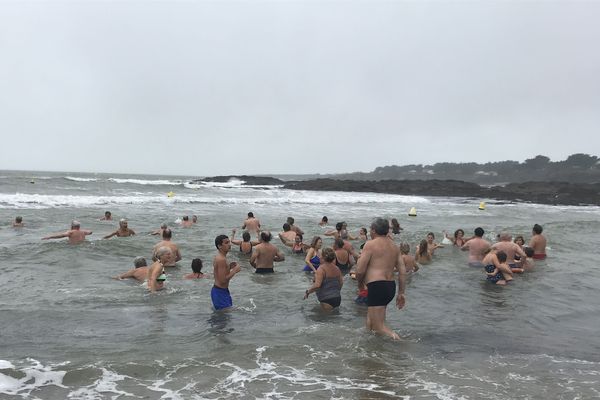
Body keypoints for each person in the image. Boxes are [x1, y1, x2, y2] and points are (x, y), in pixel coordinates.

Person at [355, 218, 406, 340]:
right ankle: (371, 347)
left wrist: (360, 283)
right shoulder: (394, 246)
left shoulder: (370, 244)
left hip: (377, 286)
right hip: (390, 286)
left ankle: (401, 344)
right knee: (371, 320)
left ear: (373, 230)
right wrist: (401, 293)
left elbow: (360, 270)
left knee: (378, 327)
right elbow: (402, 271)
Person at [212, 234, 241, 310]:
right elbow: (222, 280)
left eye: (229, 242)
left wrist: (228, 267)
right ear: (219, 246)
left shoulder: (220, 257)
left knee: (224, 318)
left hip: (221, 291)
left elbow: (219, 273)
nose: (229, 244)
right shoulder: (221, 259)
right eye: (226, 243)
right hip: (220, 292)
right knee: (223, 319)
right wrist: (234, 270)